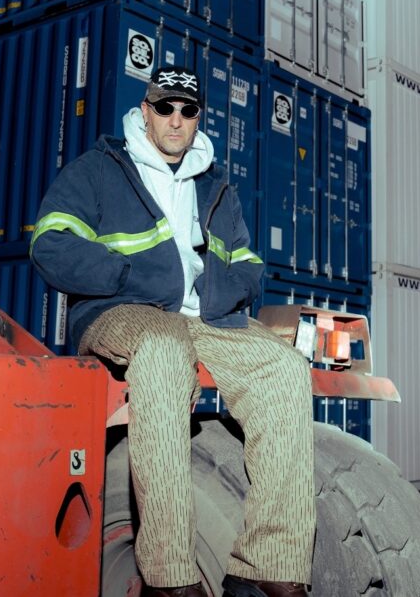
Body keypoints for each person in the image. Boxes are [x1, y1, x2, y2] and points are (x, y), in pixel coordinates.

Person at [30, 67, 315, 597]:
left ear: (198, 117)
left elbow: (248, 262)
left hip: (201, 318)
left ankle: (268, 564)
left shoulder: (215, 185)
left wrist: (221, 292)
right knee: (163, 351)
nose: (176, 120)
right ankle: (170, 576)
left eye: (187, 110)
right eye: (165, 108)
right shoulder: (99, 170)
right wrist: (127, 276)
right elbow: (50, 244)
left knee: (284, 368)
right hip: (123, 310)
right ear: (146, 112)